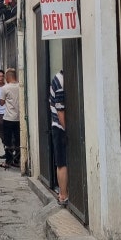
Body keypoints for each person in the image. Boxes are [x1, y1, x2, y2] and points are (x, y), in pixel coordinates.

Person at [50, 69, 68, 205]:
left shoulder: (58, 78)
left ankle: (63, 193)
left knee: (62, 162)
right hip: (60, 127)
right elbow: (60, 110)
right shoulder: (61, 81)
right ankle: (63, 195)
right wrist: (67, 129)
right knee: (62, 162)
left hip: (57, 125)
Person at [0, 67, 20, 169]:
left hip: (8, 118)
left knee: (8, 141)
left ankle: (8, 161)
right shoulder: (20, 86)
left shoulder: (5, 88)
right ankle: (17, 160)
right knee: (18, 141)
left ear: (8, 77)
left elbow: (1, 103)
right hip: (18, 118)